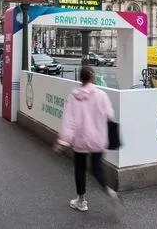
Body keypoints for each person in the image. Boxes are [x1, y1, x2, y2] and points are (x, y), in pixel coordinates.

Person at [54, 66, 121, 213]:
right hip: (98, 138)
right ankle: (110, 191)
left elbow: (69, 122)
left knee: (80, 169)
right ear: (93, 78)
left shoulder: (74, 96)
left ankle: (81, 201)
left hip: (81, 139)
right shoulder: (101, 95)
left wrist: (63, 141)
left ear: (80, 79)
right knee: (97, 168)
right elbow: (110, 115)